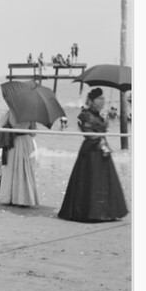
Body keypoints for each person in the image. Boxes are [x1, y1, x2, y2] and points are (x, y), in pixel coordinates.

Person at [58, 88, 128, 222]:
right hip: (91, 152)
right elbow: (87, 133)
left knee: (105, 181)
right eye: (100, 99)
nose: (103, 101)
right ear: (93, 100)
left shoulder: (98, 114)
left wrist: (104, 125)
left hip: (101, 149)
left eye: (103, 99)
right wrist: (100, 134)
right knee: (90, 180)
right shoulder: (86, 114)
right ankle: (91, 212)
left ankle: (106, 211)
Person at [0, 109, 39, 207]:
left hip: (14, 142)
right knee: (25, 169)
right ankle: (23, 198)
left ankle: (10, 197)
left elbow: (1, 127)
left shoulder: (10, 112)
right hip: (26, 142)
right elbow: (33, 132)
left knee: (12, 168)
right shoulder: (31, 113)